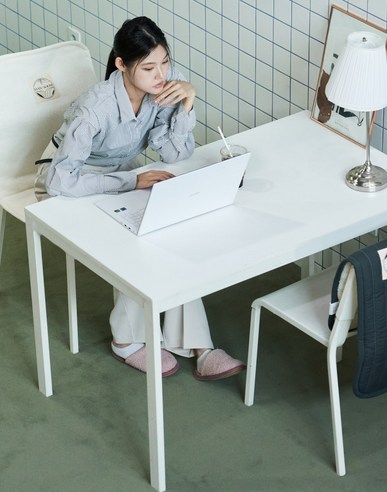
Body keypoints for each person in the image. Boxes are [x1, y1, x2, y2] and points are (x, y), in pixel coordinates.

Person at [34, 16, 245, 381]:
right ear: (121, 64)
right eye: (148, 67)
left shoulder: (163, 87)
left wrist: (187, 103)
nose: (160, 74)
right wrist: (131, 180)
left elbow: (175, 153)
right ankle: (127, 340)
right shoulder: (94, 108)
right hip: (71, 181)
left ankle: (198, 345)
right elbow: (59, 181)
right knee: (134, 238)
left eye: (165, 62)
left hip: (119, 174)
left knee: (169, 226)